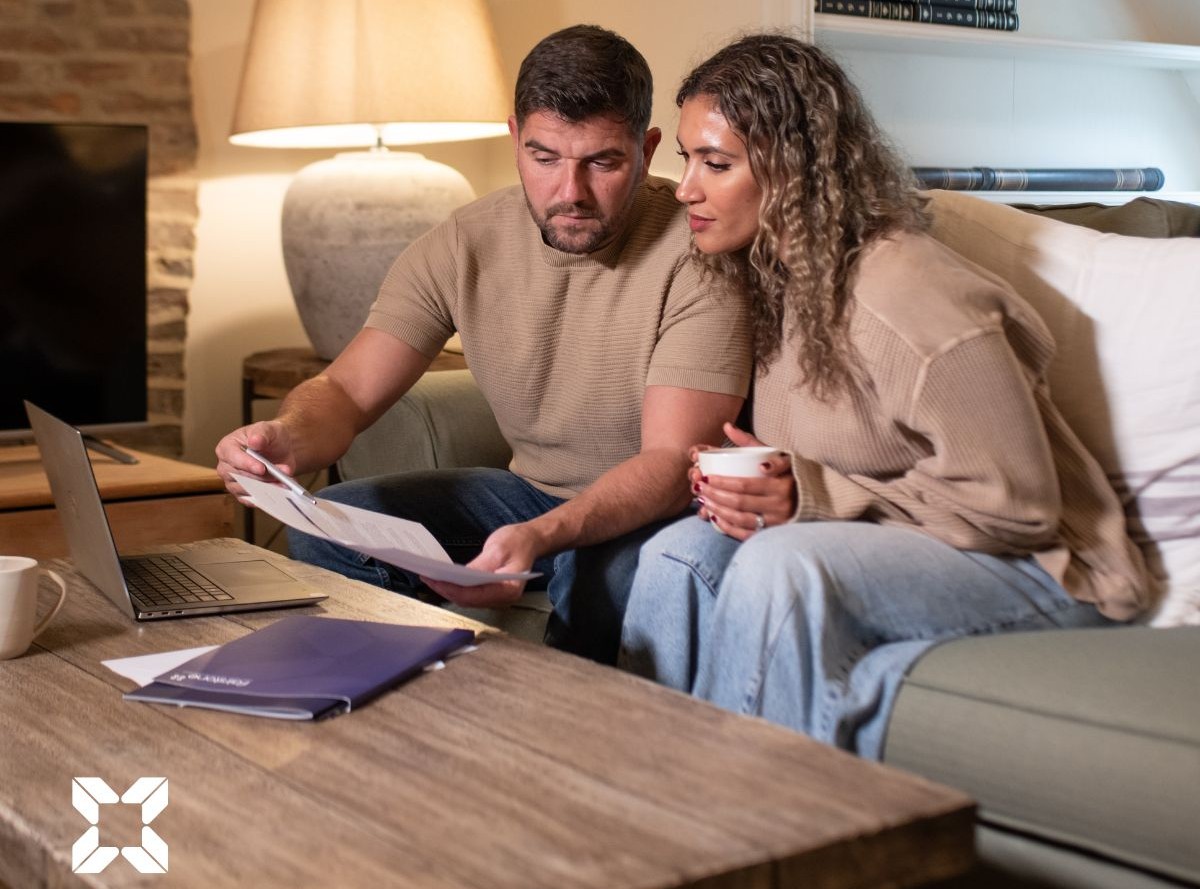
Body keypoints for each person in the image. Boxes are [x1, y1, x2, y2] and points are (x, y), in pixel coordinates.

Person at [618, 34, 1153, 758]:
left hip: (1049, 569)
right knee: (677, 556)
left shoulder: (906, 295)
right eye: (688, 158)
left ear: (793, 170)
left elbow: (1021, 508)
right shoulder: (774, 282)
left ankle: (741, 832)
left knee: (783, 568)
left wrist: (814, 495)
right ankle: (636, 791)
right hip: (917, 542)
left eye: (716, 163)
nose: (686, 188)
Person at [215, 25, 752, 664]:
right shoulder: (464, 243)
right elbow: (345, 390)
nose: (569, 192)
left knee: (597, 573)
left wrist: (543, 538)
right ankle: (396, 703)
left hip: (653, 516)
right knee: (330, 527)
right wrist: (286, 437)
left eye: (602, 162)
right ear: (514, 139)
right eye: (544, 157)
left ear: (648, 147)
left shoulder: (701, 252)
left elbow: (672, 464)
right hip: (528, 496)